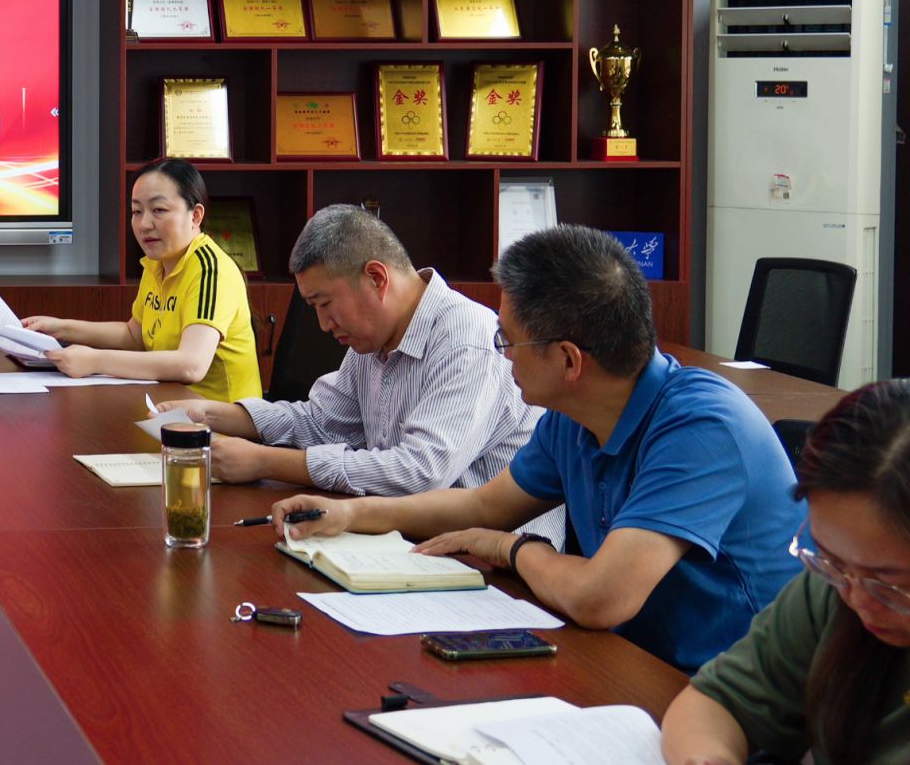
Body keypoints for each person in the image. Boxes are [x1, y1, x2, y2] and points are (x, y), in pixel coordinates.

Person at [269, 224, 803, 671]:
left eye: (507, 339)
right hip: (637, 660)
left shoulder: (702, 430)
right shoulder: (575, 416)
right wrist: (350, 514)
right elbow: (483, 506)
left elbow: (599, 598)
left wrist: (515, 549)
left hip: (739, 696)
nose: (501, 354)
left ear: (569, 360)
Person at [157, 205, 547, 519]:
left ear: (376, 278)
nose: (323, 324)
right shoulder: (375, 340)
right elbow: (321, 423)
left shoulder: (467, 340)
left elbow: (420, 473)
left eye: (324, 304)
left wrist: (264, 462)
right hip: (401, 537)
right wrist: (212, 414)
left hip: (491, 564)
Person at [662, 381, 910, 765]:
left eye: (889, 582)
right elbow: (716, 703)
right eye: (831, 559)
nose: (857, 598)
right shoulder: (833, 588)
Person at [22, 157, 261, 402]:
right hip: (171, 404)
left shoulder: (210, 270)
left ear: (195, 216)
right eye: (137, 211)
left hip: (220, 418)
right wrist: (60, 328)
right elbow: (134, 337)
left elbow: (191, 365)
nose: (144, 224)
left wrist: (95, 361)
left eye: (159, 210)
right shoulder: (157, 263)